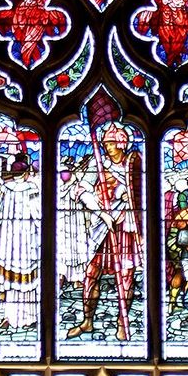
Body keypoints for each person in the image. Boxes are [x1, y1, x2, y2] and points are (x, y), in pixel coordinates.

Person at [66, 123, 142, 341]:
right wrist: (101, 212)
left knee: (126, 276)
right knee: (91, 274)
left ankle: (122, 323)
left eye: (112, 143)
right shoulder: (98, 164)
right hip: (103, 226)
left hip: (125, 226)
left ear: (121, 143)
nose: (108, 147)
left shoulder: (133, 163)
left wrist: (127, 197)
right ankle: (87, 321)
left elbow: (144, 191)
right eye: (106, 143)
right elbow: (80, 190)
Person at [0, 153, 41, 331]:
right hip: (26, 241)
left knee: (11, 282)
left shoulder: (5, 189)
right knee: (26, 282)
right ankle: (28, 318)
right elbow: (38, 215)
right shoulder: (32, 189)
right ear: (26, 173)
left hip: (9, 242)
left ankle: (9, 317)